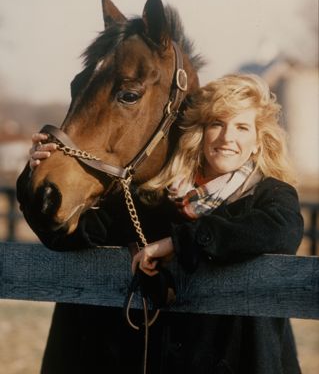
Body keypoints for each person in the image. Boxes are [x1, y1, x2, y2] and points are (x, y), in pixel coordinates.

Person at [19, 73, 303, 374]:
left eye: (242, 127)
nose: (226, 137)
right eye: (216, 123)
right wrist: (36, 175)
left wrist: (178, 243)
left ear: (258, 143)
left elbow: (280, 231)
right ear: (200, 131)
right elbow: (66, 236)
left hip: (246, 363)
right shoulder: (157, 197)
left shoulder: (272, 194)